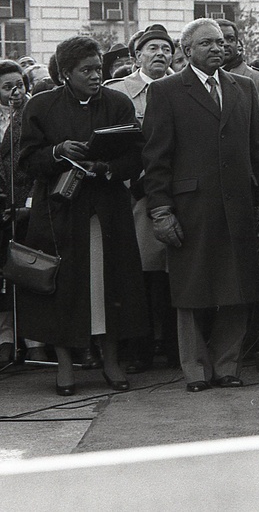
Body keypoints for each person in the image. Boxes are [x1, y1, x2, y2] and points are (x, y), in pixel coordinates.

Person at [18, 36, 148, 395]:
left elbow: (135, 157)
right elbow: (27, 161)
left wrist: (104, 167)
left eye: (97, 68)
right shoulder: (41, 106)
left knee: (109, 287)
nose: (95, 76)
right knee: (62, 290)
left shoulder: (118, 103)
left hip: (107, 211)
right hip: (59, 212)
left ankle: (111, 361)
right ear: (65, 73)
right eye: (85, 70)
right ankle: (65, 366)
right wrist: (58, 151)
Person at [142, 18, 259, 393]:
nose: (217, 48)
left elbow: (257, 149)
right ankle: (195, 369)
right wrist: (161, 212)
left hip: (238, 205)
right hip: (190, 208)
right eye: (207, 43)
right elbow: (156, 159)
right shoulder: (166, 91)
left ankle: (227, 366)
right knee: (191, 290)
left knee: (236, 288)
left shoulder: (243, 87)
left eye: (221, 43)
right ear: (187, 51)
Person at [106, 24, 177, 372]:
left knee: (173, 274)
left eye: (166, 48)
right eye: (152, 48)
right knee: (140, 274)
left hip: (175, 191)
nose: (160, 54)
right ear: (137, 56)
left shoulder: (183, 87)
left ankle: (175, 349)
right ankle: (141, 349)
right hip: (132, 194)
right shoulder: (117, 92)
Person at [0, 60, 29, 365]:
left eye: (19, 85)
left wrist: (28, 204)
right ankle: (6, 340)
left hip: (26, 203)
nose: (15, 92)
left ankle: (35, 342)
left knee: (32, 271)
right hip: (1, 206)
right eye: (7, 87)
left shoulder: (34, 113)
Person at [218, 19, 259, 127]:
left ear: (237, 43)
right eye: (220, 40)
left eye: (231, 39)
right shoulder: (205, 78)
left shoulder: (257, 79)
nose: (226, 44)